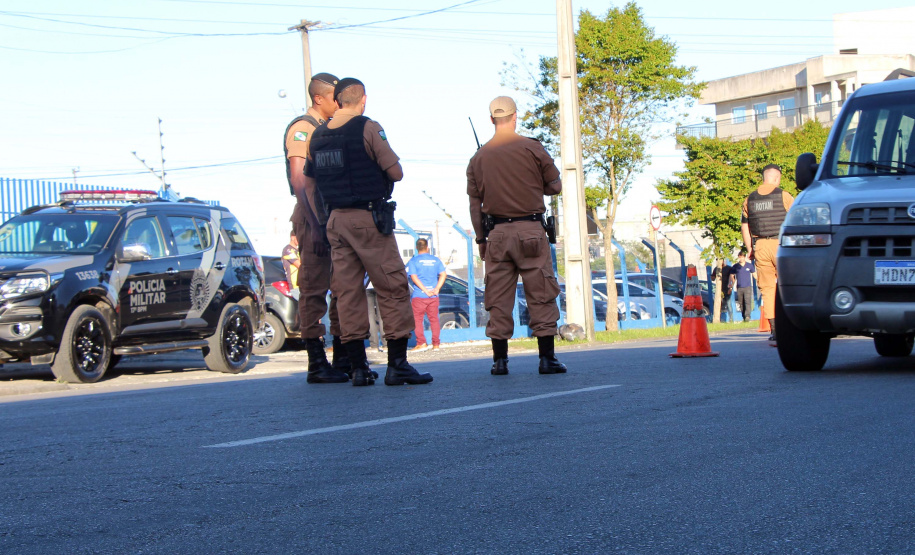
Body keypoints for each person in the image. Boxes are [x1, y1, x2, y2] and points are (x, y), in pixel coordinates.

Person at [306, 77, 432, 387]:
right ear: (363, 99)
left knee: (347, 293)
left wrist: (323, 219)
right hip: (367, 218)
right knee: (392, 286)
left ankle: (359, 368)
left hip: (335, 221)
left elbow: (310, 183)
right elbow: (395, 172)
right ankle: (398, 364)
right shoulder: (367, 127)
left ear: (336, 101)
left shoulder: (318, 135)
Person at [466, 96, 566, 376]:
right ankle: (547, 359)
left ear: (491, 120)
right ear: (515, 116)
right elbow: (555, 186)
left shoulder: (478, 157)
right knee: (541, 293)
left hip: (496, 234)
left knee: (498, 297)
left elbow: (475, 205)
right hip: (531, 230)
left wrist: (481, 239)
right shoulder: (532, 148)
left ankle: (500, 361)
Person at [284, 72, 351, 384]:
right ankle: (316, 362)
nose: (339, 103)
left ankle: (342, 358)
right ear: (319, 98)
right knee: (313, 291)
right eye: (335, 97)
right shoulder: (303, 129)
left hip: (331, 216)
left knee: (341, 288)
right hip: (314, 216)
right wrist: (316, 224)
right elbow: (300, 180)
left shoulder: (327, 129)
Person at [742, 164, 794, 341]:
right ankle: (793, 326)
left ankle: (775, 330)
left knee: (767, 289)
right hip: (782, 245)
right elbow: (796, 219)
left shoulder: (749, 199)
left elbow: (745, 225)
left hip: (760, 246)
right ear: (777, 178)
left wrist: (750, 249)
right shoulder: (784, 196)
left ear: (764, 178)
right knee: (789, 285)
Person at [407, 238, 447, 352]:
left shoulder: (414, 261)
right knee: (434, 319)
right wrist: (437, 289)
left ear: (416, 248)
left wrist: (424, 290)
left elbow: (414, 277)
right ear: (427, 247)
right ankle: (436, 344)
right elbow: (443, 274)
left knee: (417, 320)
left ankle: (421, 343)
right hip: (433, 296)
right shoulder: (435, 260)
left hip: (419, 295)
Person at [731, 249, 757, 322]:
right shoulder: (735, 266)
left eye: (742, 257)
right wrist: (731, 285)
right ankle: (743, 316)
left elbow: (754, 274)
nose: (741, 258)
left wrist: (758, 280)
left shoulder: (749, 265)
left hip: (748, 286)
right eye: (740, 257)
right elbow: (732, 276)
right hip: (739, 287)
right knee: (741, 302)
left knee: (747, 301)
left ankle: (748, 316)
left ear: (744, 257)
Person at [365, 275, 386, 352]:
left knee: (370, 316)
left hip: (366, 285)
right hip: (380, 284)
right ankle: (386, 344)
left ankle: (374, 345)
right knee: (382, 316)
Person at [281, 230, 301, 298]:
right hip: (295, 286)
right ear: (292, 237)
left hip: (303, 285)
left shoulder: (299, 250)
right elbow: (300, 265)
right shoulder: (288, 250)